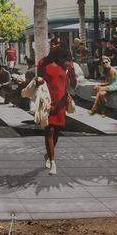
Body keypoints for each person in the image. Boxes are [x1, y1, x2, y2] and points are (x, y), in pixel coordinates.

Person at [35, 44, 73, 175]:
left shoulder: (65, 65)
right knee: (49, 131)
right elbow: (38, 80)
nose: (56, 45)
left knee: (57, 131)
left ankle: (48, 154)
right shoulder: (43, 63)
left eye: (58, 43)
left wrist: (72, 73)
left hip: (61, 102)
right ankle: (52, 162)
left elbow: (71, 84)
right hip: (48, 101)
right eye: (54, 43)